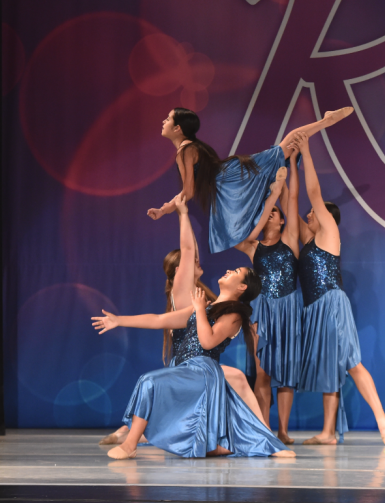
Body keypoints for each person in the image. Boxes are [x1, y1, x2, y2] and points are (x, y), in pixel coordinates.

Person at [100, 194, 267, 446]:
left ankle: (135, 432)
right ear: (179, 270)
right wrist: (182, 213)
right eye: (191, 262)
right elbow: (187, 250)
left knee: (237, 381)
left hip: (197, 362)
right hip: (188, 364)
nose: (196, 261)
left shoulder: (202, 298)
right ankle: (255, 434)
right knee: (236, 381)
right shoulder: (185, 290)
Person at [92, 272, 294, 459]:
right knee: (151, 385)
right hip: (183, 368)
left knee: (148, 381)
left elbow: (207, 342)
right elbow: (159, 319)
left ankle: (129, 445)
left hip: (203, 370)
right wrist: (119, 320)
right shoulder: (204, 306)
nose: (229, 271)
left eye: (235, 272)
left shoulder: (234, 315)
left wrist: (199, 310)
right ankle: (219, 446)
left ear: (242, 287)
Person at [294, 134, 385, 446]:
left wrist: (307, 153)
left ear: (325, 219)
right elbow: (292, 203)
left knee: (352, 364)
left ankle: (382, 420)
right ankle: (328, 433)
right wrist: (285, 170)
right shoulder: (309, 241)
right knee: (328, 369)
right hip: (314, 308)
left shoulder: (329, 234)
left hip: (331, 304)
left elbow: (313, 193)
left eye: (314, 213)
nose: (309, 214)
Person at [147, 106, 353, 253]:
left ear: (178, 129)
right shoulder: (190, 148)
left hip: (229, 179)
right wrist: (166, 208)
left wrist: (165, 209)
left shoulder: (184, 151)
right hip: (228, 179)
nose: (164, 121)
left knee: (284, 148)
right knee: (284, 149)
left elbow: (189, 191)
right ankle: (323, 124)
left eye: (168, 118)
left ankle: (326, 121)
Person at [234, 144, 302, 445]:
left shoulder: (289, 238)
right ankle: (264, 425)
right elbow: (240, 235)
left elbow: (294, 200)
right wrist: (267, 199)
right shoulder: (253, 247)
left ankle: (283, 429)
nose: (269, 215)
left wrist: (288, 170)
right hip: (263, 310)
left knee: (285, 374)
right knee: (262, 372)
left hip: (287, 308)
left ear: (282, 220)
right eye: (267, 213)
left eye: (273, 213)